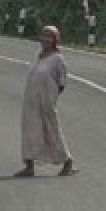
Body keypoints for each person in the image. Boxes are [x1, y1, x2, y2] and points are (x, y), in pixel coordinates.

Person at [16, 25, 76, 177]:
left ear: (55, 39)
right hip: (30, 102)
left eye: (49, 36)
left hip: (46, 103)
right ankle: (29, 166)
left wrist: (50, 99)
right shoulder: (37, 55)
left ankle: (67, 162)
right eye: (43, 36)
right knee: (29, 132)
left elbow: (62, 83)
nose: (45, 39)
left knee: (52, 131)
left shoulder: (58, 59)